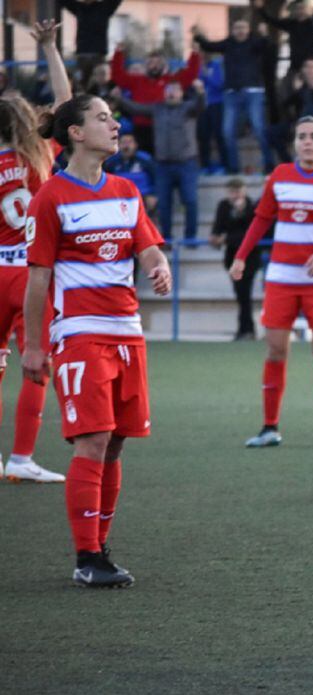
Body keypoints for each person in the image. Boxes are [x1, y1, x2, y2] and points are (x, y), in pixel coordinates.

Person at [24, 90, 172, 588]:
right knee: (93, 439)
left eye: (114, 118)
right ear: (76, 133)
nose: (116, 125)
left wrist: (159, 266)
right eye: (104, 118)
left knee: (116, 445)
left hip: (128, 334)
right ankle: (87, 557)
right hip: (80, 334)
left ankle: (101, 549)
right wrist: (34, 344)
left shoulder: (126, 192)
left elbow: (147, 247)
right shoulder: (52, 196)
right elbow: (39, 276)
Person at [229, 116, 313, 449]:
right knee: (276, 349)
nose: (307, 142)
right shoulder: (280, 176)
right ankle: (269, 427)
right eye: (302, 136)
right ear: (295, 143)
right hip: (281, 277)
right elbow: (262, 218)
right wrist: (241, 255)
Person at [0, 21, 71, 484]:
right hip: (31, 276)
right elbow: (66, 107)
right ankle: (22, 457)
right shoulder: (42, 155)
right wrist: (48, 48)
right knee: (36, 362)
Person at [116, 80, 205, 243]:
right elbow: (136, 108)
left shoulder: (188, 108)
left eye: (175, 90)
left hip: (187, 163)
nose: (171, 93)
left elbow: (200, 105)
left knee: (190, 200)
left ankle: (190, 238)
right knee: (164, 203)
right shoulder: (158, 108)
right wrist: (120, 99)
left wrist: (200, 92)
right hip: (163, 165)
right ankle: (167, 239)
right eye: (168, 90)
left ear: (181, 93)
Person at [193, 19, 275, 174]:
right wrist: (198, 36)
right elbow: (209, 46)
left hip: (253, 92)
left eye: (243, 27)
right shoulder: (228, 44)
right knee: (227, 131)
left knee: (259, 128)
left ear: (249, 29)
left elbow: (268, 45)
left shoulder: (255, 43)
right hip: (231, 94)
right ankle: (233, 167)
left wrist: (265, 34)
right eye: (237, 28)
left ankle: (269, 163)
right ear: (232, 30)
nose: (240, 30)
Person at [110, 46, 201, 156]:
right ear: (145, 65)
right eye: (151, 62)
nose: (154, 65)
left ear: (164, 64)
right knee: (143, 158)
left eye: (157, 62)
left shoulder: (172, 80)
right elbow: (118, 76)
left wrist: (195, 54)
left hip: (164, 127)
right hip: (141, 127)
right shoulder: (137, 80)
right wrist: (118, 53)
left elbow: (191, 74)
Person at [210, 178, 258, 340]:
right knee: (240, 294)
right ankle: (246, 329)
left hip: (249, 258)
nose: (235, 195)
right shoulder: (223, 206)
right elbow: (217, 229)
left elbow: (251, 233)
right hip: (231, 257)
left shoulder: (251, 206)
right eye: (232, 191)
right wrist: (218, 238)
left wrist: (227, 237)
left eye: (238, 191)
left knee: (244, 293)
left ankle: (246, 329)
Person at [56, 0, 122, 85]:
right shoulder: (80, 8)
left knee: (101, 83)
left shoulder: (105, 7)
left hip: (98, 55)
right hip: (83, 54)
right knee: (81, 85)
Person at [103, 132, 157, 224]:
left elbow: (157, 178)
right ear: (118, 145)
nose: (126, 146)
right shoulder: (112, 162)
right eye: (123, 142)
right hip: (120, 198)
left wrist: (154, 194)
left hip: (143, 197)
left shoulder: (145, 160)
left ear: (136, 145)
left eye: (129, 142)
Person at [254, 0, 313, 76]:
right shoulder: (291, 24)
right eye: (298, 8)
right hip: (295, 62)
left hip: (311, 62)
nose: (300, 11)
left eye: (302, 8)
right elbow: (272, 21)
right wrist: (261, 9)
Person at [196, 52, 228, 174]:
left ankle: (225, 164)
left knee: (219, 135)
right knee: (203, 136)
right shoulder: (196, 67)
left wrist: (206, 76)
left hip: (216, 104)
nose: (203, 56)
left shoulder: (216, 65)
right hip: (202, 105)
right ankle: (205, 165)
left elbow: (219, 84)